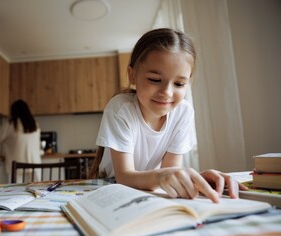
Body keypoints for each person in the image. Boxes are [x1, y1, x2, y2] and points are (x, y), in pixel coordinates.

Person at [90, 28, 247, 203]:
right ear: (132, 75)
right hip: (112, 188)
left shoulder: (184, 112)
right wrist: (164, 178)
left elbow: (169, 172)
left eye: (179, 83)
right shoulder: (121, 108)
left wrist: (196, 179)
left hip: (150, 190)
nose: (166, 92)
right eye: (155, 80)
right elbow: (124, 177)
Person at [0, 99, 41, 183]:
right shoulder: (34, 124)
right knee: (36, 192)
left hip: (17, 166)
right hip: (35, 165)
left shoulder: (11, 124)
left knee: (16, 193)